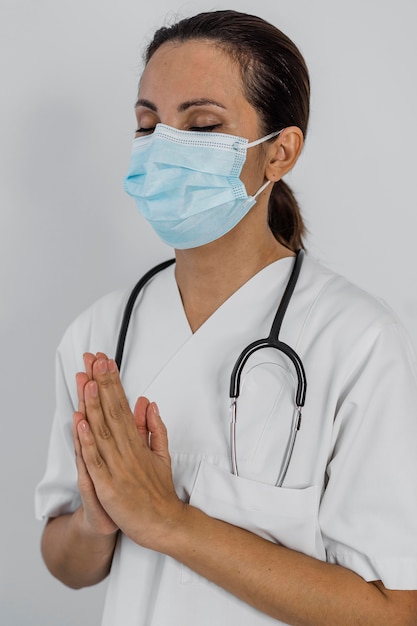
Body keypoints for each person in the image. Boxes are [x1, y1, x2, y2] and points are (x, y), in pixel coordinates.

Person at [35, 9, 417, 626]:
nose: (165, 149)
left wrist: (169, 522)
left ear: (279, 153)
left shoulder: (358, 343)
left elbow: (392, 612)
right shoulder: (100, 333)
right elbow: (65, 563)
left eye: (203, 124)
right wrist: (96, 519)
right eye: (148, 124)